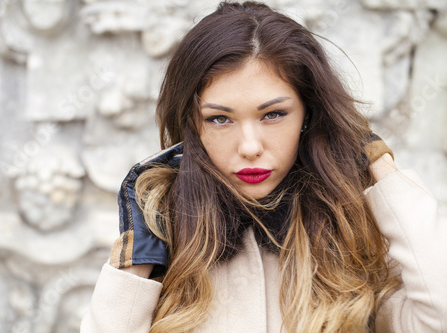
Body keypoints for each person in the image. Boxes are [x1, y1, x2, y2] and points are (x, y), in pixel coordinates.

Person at [81, 1, 447, 332]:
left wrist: (375, 163)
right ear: (193, 124)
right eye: (220, 119)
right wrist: (138, 258)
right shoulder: (171, 238)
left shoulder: (356, 230)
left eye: (273, 114)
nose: (250, 147)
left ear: (310, 114)